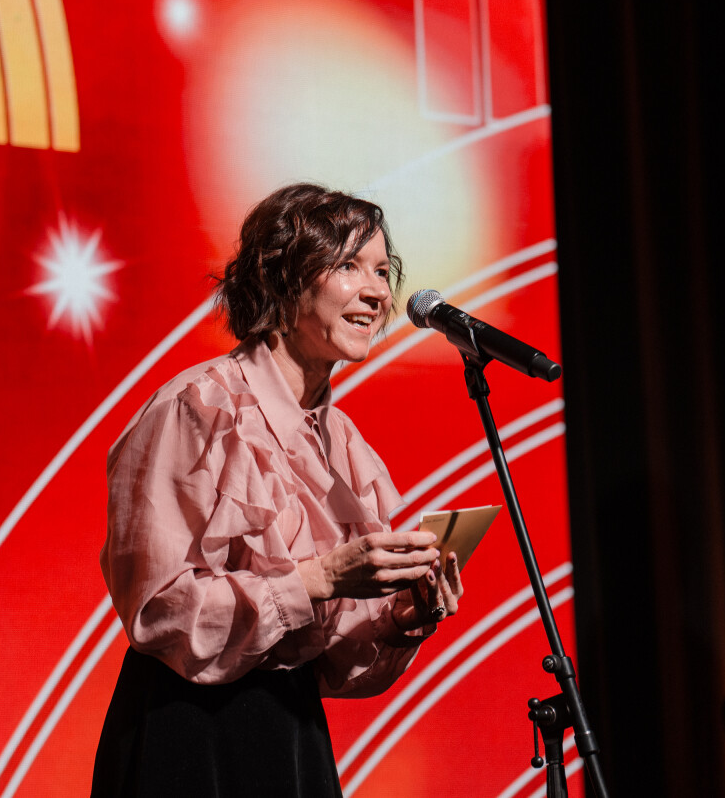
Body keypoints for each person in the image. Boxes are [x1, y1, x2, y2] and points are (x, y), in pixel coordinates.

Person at [91, 183, 464, 798]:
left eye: (382, 271)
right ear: (283, 278)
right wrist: (316, 579)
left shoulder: (344, 444)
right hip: (188, 732)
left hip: (290, 734)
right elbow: (158, 611)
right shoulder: (197, 408)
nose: (378, 292)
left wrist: (402, 618)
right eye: (349, 266)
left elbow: (334, 664)